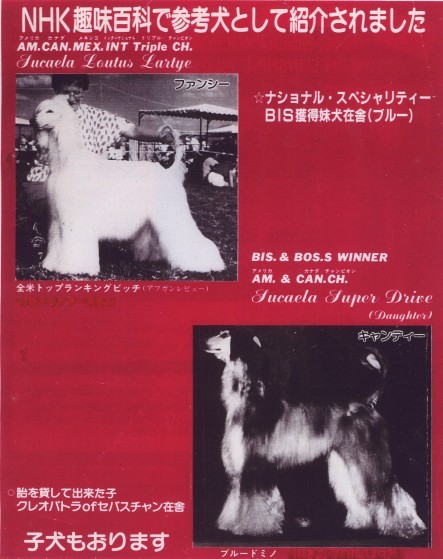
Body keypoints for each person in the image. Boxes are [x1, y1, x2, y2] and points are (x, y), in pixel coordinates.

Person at [25, 74, 176, 258]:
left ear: (83, 93)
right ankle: (42, 234)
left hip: (88, 180)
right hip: (47, 175)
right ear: (56, 92)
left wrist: (160, 136)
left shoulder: (96, 116)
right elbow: (39, 134)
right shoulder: (47, 111)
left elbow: (131, 129)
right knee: (51, 205)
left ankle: (87, 244)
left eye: (77, 93)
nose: (72, 98)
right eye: (66, 93)